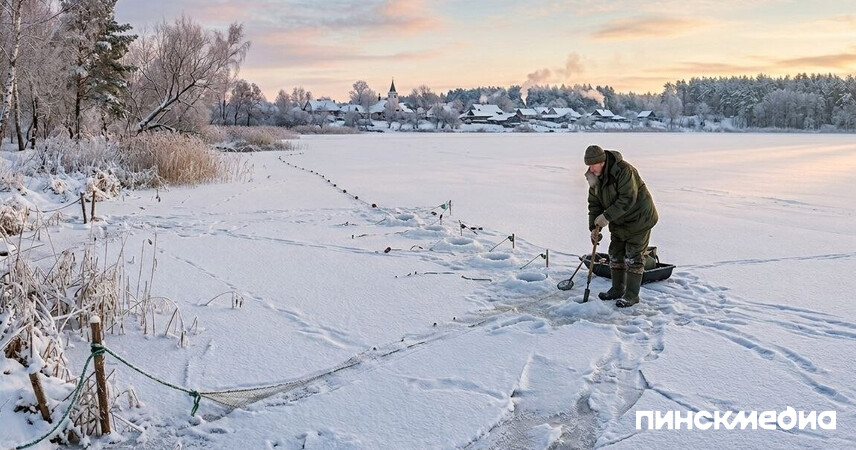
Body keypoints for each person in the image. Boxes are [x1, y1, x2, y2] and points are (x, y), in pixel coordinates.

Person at [584, 144, 658, 307]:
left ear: (602, 162)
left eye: (593, 164)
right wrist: (594, 228)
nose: (590, 168)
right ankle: (617, 289)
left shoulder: (624, 171)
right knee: (615, 253)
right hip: (619, 219)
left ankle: (631, 295)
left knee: (633, 255)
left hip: (639, 218)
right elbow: (594, 204)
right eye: (588, 165)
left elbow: (627, 199)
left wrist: (606, 217)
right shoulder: (593, 176)